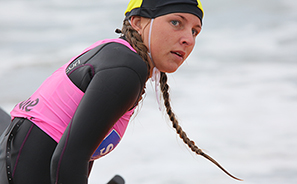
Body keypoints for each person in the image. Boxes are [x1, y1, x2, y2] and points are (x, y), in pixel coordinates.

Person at [0, 0, 241, 183]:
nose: (188, 39)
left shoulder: (118, 56)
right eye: (176, 23)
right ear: (137, 22)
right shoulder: (127, 68)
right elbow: (68, 159)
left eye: (195, 31)